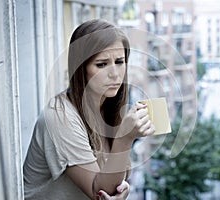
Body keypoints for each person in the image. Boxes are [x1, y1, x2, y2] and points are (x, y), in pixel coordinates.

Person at [23, 19, 155, 200]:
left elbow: (112, 183)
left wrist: (122, 189)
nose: (115, 73)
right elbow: (98, 191)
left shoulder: (109, 108)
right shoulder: (60, 117)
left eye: (119, 61)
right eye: (101, 64)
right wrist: (125, 137)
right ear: (80, 68)